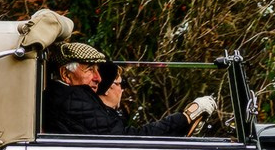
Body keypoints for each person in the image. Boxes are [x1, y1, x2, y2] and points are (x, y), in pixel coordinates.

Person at [42, 42, 216, 136]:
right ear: (65, 74)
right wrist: (184, 118)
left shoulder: (68, 97)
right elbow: (127, 139)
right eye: (89, 69)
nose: (98, 78)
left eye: (97, 69)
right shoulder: (71, 99)